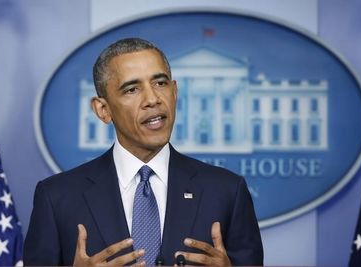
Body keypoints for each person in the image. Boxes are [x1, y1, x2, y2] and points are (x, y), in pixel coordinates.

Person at [24, 38, 263, 266]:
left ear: (175, 92)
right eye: (131, 89)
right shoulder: (57, 198)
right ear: (103, 110)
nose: (152, 99)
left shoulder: (227, 192)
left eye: (160, 83)